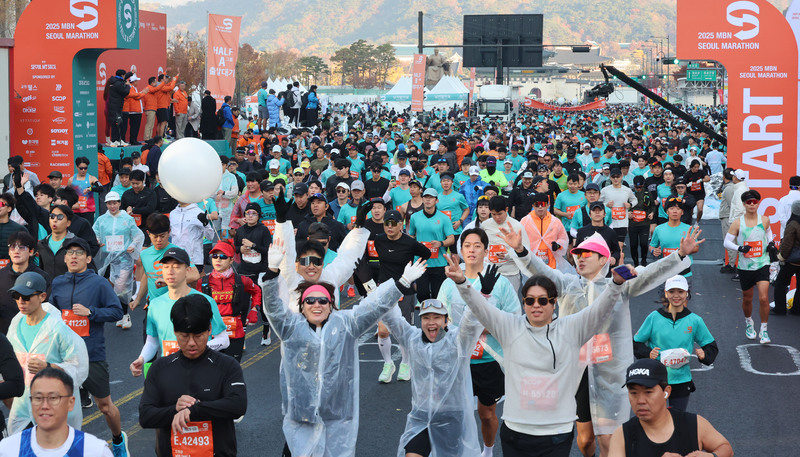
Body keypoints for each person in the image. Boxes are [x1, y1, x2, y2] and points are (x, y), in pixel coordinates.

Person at [498, 227, 700, 457]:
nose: (580, 258)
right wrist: (521, 250)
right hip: (575, 373)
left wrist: (679, 255)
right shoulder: (567, 285)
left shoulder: (619, 284)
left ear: (603, 258)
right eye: (578, 254)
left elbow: (649, 273)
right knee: (584, 441)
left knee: (608, 439)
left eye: (587, 254)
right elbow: (541, 270)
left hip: (609, 374)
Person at [444, 255, 635, 457]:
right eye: (530, 300)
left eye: (543, 300)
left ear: (554, 304)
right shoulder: (509, 326)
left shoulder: (572, 328)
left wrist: (615, 284)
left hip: (557, 432)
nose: (537, 305)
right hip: (516, 430)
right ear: (524, 303)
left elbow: (599, 310)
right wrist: (461, 282)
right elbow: (479, 308)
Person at [261, 235, 427, 457]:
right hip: (302, 416)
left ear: (331, 304)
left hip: (336, 417)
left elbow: (374, 307)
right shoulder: (290, 326)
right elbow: (272, 308)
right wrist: (272, 272)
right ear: (302, 304)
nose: (317, 304)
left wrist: (402, 284)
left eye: (323, 301)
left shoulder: (346, 324)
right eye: (310, 300)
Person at [437, 228, 520, 457]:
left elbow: (513, 318)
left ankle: (488, 450)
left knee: (486, 412)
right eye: (467, 245)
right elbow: (442, 319)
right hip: (459, 357)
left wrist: (485, 325)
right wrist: (463, 328)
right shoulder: (450, 282)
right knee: (456, 412)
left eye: (477, 245)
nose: (472, 250)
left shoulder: (500, 283)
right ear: (460, 250)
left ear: (486, 250)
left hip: (489, 358)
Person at [139, 294, 247, 457]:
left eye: (198, 336)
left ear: (210, 329)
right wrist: (175, 409)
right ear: (175, 331)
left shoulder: (227, 365)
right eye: (184, 336)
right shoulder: (160, 368)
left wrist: (194, 410)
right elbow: (146, 417)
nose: (191, 343)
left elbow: (238, 405)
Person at [49, 237, 129, 455]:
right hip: (63, 357)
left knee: (105, 406)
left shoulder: (99, 283)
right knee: (61, 406)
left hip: (91, 353)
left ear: (88, 258)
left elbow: (117, 312)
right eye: (70, 253)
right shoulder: (57, 283)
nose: (73, 256)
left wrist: (91, 312)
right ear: (65, 258)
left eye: (79, 252)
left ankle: (118, 440)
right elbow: (51, 314)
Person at [384, 297, 483, 457]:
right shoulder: (413, 339)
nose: (431, 322)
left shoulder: (458, 342)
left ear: (446, 321)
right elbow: (391, 317)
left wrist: (481, 294)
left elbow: (471, 321)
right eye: (426, 317)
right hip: (421, 419)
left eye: (436, 317)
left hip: (451, 418)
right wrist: (396, 287)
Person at [5, 272, 89, 434]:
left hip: (54, 409)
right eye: (16, 296)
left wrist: (49, 367)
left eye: (27, 296)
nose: (21, 301)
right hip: (23, 408)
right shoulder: (15, 325)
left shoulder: (58, 330)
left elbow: (79, 368)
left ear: (42, 296)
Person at [130, 247, 228, 377]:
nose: (170, 272)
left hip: (201, 373)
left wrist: (194, 350)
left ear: (187, 271)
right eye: (166, 267)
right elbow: (152, 342)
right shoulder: (155, 305)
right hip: (169, 374)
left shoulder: (205, 301)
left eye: (176, 267)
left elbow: (224, 339)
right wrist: (141, 359)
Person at [608, 359, 734, 457]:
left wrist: (712, 456)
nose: (640, 401)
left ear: (666, 391)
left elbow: (725, 447)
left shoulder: (694, 424)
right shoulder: (623, 435)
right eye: (633, 393)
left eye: (648, 392)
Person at [633, 274, 718, 411]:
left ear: (687, 294)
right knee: (654, 419)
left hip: (681, 380)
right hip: (655, 379)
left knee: (677, 421)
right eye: (672, 292)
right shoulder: (654, 317)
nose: (676, 296)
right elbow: (636, 343)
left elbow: (711, 346)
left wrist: (704, 355)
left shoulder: (695, 320)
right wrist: (648, 353)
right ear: (666, 294)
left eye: (680, 291)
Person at [0, 368, 112, 457]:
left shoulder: (95, 451)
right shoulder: (8, 450)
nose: (44, 406)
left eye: (53, 398)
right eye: (38, 398)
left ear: (71, 402)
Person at [724, 189, 774, 344]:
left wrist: (771, 244)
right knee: (747, 298)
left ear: (758, 203)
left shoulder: (765, 219)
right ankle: (749, 323)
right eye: (749, 202)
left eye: (755, 202)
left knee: (764, 298)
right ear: (744, 204)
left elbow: (768, 234)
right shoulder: (738, 222)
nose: (752, 205)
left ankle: (764, 330)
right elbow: (727, 242)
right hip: (745, 266)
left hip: (762, 264)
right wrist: (739, 248)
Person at [93, 191, 144, 329]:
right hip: (106, 258)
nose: (112, 206)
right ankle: (117, 313)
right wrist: (97, 241)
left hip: (123, 258)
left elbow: (138, 235)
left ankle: (125, 315)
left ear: (120, 203)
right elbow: (95, 233)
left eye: (115, 203)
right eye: (109, 203)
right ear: (106, 204)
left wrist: (133, 246)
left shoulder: (127, 219)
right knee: (107, 284)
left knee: (122, 287)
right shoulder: (101, 220)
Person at [409, 189, 455, 302]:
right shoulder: (415, 217)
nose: (428, 199)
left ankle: (436, 318)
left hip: (439, 263)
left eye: (431, 197)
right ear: (422, 199)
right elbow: (411, 236)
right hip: (421, 263)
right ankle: (425, 316)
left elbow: (451, 239)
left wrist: (441, 243)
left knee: (437, 296)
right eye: (425, 197)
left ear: (436, 200)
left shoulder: (444, 218)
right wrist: (415, 245)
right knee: (422, 295)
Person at [0, 231, 51, 334]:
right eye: (13, 247)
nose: (16, 251)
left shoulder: (42, 277)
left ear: (31, 252)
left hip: (33, 335)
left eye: (22, 247)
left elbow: (48, 308)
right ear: (9, 252)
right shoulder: (1, 275)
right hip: (4, 337)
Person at [68, 157, 102, 224]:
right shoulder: (71, 180)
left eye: (85, 168)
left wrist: (90, 188)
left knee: (87, 230)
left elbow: (101, 188)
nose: (83, 170)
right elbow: (67, 194)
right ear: (77, 167)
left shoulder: (91, 178)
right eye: (81, 168)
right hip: (76, 210)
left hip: (88, 210)